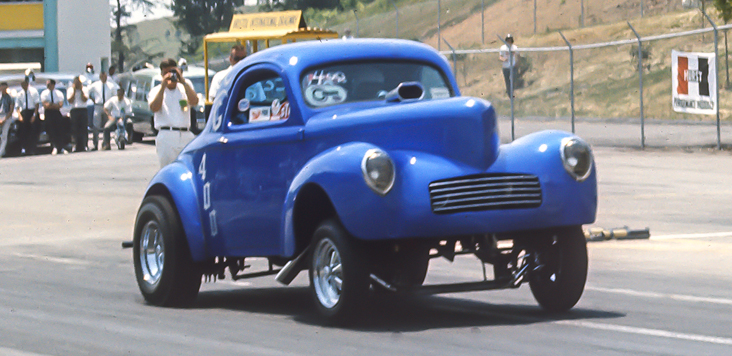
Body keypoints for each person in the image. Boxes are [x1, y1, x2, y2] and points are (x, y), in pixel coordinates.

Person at [149, 58, 199, 167]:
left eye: (171, 72)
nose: (170, 76)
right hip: (167, 135)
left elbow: (194, 101)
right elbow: (154, 108)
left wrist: (182, 80)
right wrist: (163, 86)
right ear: (161, 74)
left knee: (189, 167)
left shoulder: (184, 86)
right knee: (168, 169)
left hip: (185, 133)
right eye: (165, 73)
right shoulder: (156, 91)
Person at [87, 71, 120, 150]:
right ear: (100, 77)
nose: (103, 78)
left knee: (106, 127)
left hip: (107, 106)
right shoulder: (95, 85)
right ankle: (95, 144)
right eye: (102, 77)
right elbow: (87, 91)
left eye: (104, 77)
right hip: (98, 105)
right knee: (96, 126)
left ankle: (106, 143)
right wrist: (92, 99)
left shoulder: (111, 86)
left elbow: (115, 95)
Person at [40, 79, 68, 155]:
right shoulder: (44, 93)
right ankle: (54, 147)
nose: (48, 86)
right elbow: (45, 105)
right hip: (48, 114)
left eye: (49, 84)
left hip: (56, 113)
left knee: (59, 130)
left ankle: (61, 147)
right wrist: (53, 105)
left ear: (53, 85)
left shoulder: (59, 93)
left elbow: (60, 105)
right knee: (51, 130)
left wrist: (51, 105)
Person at [15, 75, 41, 155]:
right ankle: (24, 148)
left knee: (33, 132)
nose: (23, 85)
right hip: (24, 112)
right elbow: (18, 106)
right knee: (23, 131)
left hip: (32, 111)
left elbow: (37, 104)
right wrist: (19, 115)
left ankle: (32, 149)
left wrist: (34, 115)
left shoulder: (33, 91)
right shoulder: (20, 94)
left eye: (24, 84)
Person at [67, 76, 90, 152]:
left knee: (83, 128)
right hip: (74, 110)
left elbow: (85, 99)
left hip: (83, 109)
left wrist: (81, 91)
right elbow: (70, 100)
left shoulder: (85, 89)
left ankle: (84, 145)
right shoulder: (70, 90)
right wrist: (74, 91)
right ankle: (75, 145)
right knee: (75, 129)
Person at [499, 34, 519, 98]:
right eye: (508, 40)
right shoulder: (503, 48)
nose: (509, 41)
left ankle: (512, 91)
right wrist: (503, 59)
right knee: (507, 81)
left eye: (510, 40)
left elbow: (518, 56)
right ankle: (510, 95)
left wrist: (517, 63)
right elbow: (500, 57)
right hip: (505, 67)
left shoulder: (515, 48)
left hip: (513, 66)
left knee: (513, 79)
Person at [0, 82, 15, 157]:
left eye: (4, 88)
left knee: (4, 135)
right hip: (0, 115)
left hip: (6, 116)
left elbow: (11, 110)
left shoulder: (10, 98)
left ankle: (1, 152)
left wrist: (4, 119)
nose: (3, 90)